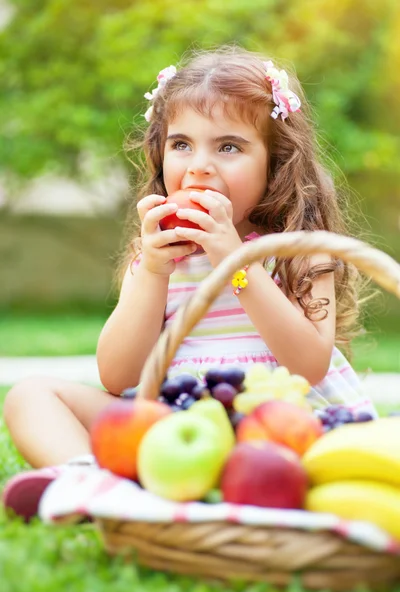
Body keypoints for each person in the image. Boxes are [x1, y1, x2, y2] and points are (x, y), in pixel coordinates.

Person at [2, 46, 376, 521]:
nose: (199, 166)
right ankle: (89, 482)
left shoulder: (299, 249)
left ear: (276, 161)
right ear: (161, 154)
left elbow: (307, 365)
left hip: (275, 430)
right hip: (170, 428)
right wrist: (153, 271)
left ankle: (161, 494)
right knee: (31, 395)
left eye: (228, 147)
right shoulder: (161, 254)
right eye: (182, 144)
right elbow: (117, 377)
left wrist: (235, 261)